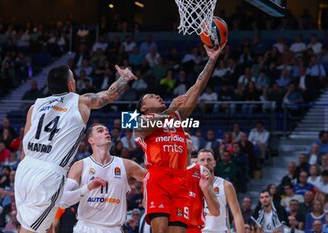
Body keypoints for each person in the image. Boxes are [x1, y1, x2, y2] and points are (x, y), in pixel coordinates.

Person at [15, 64, 137, 233]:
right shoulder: (80, 102)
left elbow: (24, 147)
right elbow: (108, 96)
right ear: (71, 85)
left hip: (24, 169)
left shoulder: (35, 107)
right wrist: (124, 77)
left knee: (41, 226)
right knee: (31, 230)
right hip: (48, 174)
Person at [134, 45, 224, 233]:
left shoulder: (176, 117)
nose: (157, 96)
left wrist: (212, 60)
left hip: (180, 179)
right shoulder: (140, 121)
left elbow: (197, 88)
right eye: (151, 96)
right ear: (143, 107)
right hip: (158, 177)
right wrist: (169, 110)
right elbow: (146, 127)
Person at [60, 123, 147, 233]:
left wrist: (147, 196)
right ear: (91, 140)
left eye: (107, 130)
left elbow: (153, 178)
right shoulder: (80, 165)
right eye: (100, 131)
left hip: (114, 229)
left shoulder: (126, 165)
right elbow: (63, 201)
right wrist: (88, 187)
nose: (106, 132)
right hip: (86, 227)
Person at [197, 149, 245, 233]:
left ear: (214, 163)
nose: (206, 163)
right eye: (202, 160)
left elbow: (237, 214)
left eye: (209, 160)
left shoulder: (226, 185)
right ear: (197, 164)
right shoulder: (192, 184)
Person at [185, 133, 220, 233]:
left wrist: (205, 190)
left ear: (193, 148)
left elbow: (216, 211)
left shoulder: (202, 172)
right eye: (182, 138)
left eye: (188, 139)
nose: (185, 140)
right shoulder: (168, 170)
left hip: (194, 229)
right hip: (172, 228)